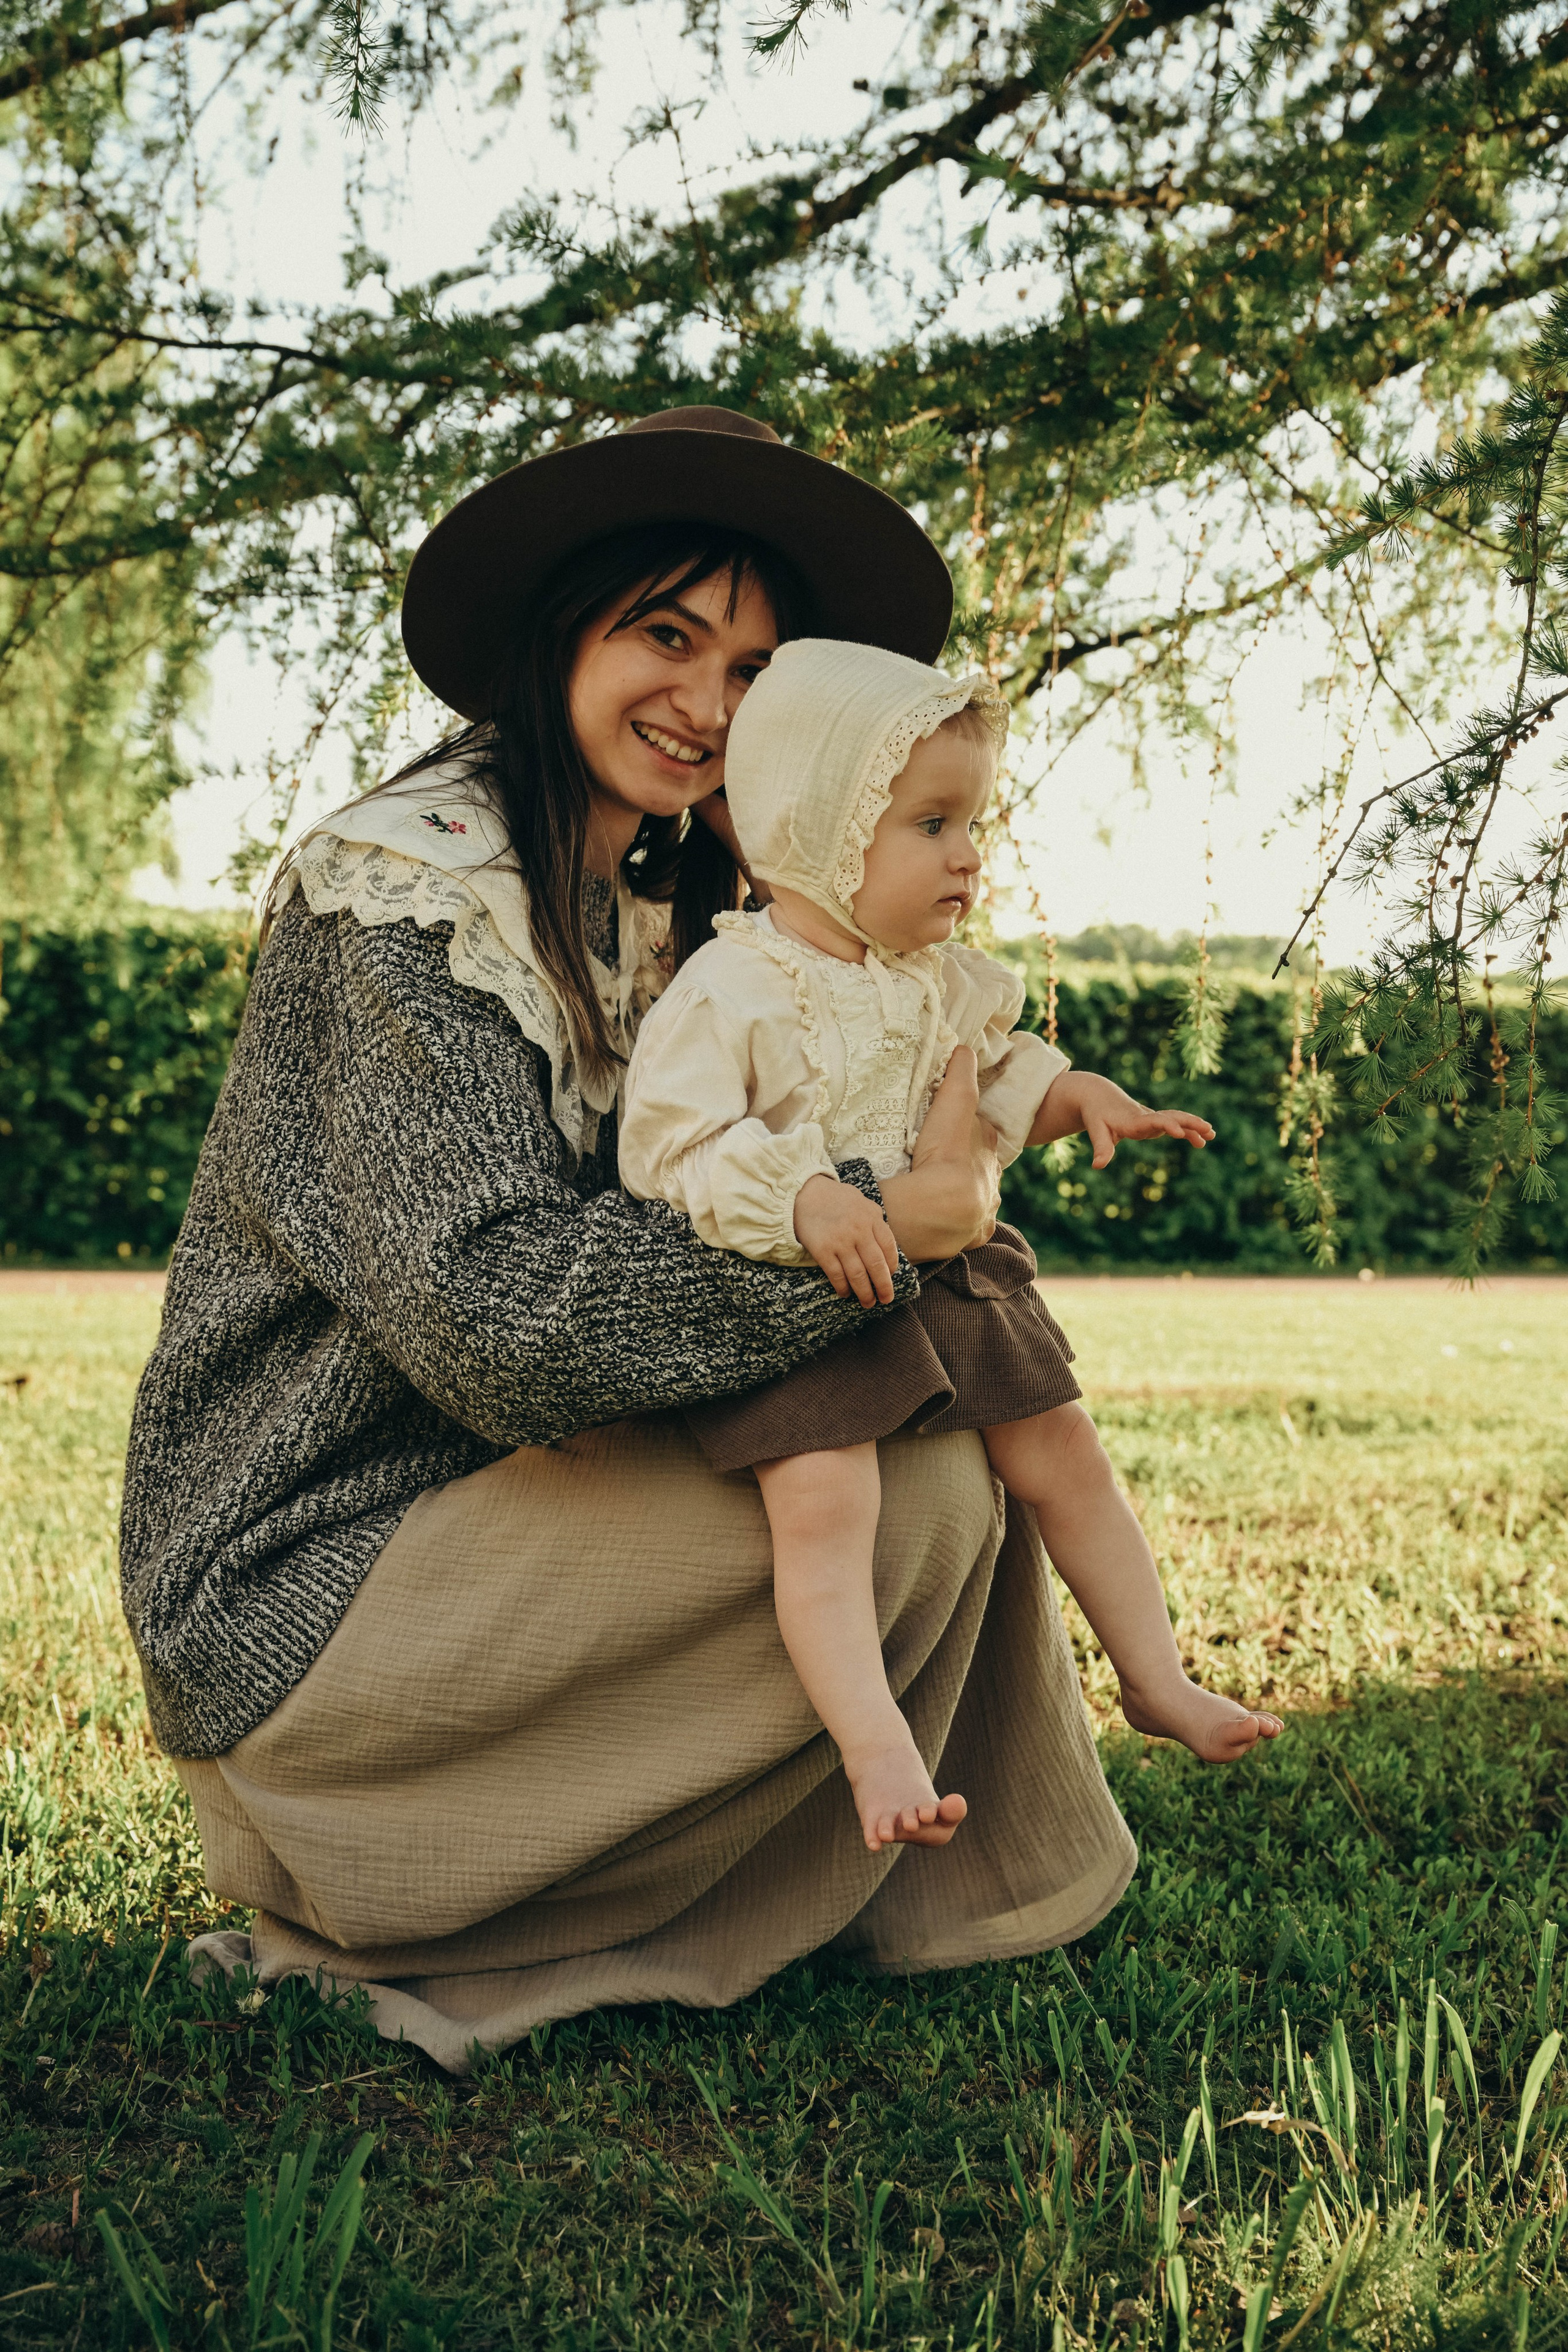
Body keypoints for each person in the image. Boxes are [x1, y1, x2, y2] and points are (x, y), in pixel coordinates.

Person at [121, 406, 1140, 2075]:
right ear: (558, 639)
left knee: (945, 1455)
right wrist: (878, 1224)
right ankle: (460, 1899)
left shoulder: (676, 919)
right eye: (663, 635)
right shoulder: (402, 897)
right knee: (899, 1504)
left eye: (753, 674)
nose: (705, 704)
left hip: (499, 1513)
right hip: (309, 1598)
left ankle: (899, 1870)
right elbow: (495, 1326)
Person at [620, 638, 1283, 1856]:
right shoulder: (734, 986)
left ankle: (1152, 1675)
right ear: (820, 833)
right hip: (801, 1288)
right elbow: (670, 1146)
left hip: (951, 1272)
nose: (967, 854)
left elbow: (994, 1068)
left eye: (969, 822)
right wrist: (804, 1198)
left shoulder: (937, 980)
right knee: (825, 1505)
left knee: (1062, 1449)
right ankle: (877, 1754)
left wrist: (1074, 1093)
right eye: (930, 823)